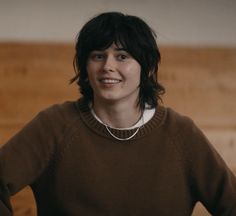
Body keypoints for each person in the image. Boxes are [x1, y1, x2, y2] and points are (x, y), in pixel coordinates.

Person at [0, 11, 236, 216]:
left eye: (122, 56)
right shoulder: (54, 125)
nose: (107, 66)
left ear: (146, 67)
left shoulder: (182, 133)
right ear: (86, 66)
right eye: (97, 56)